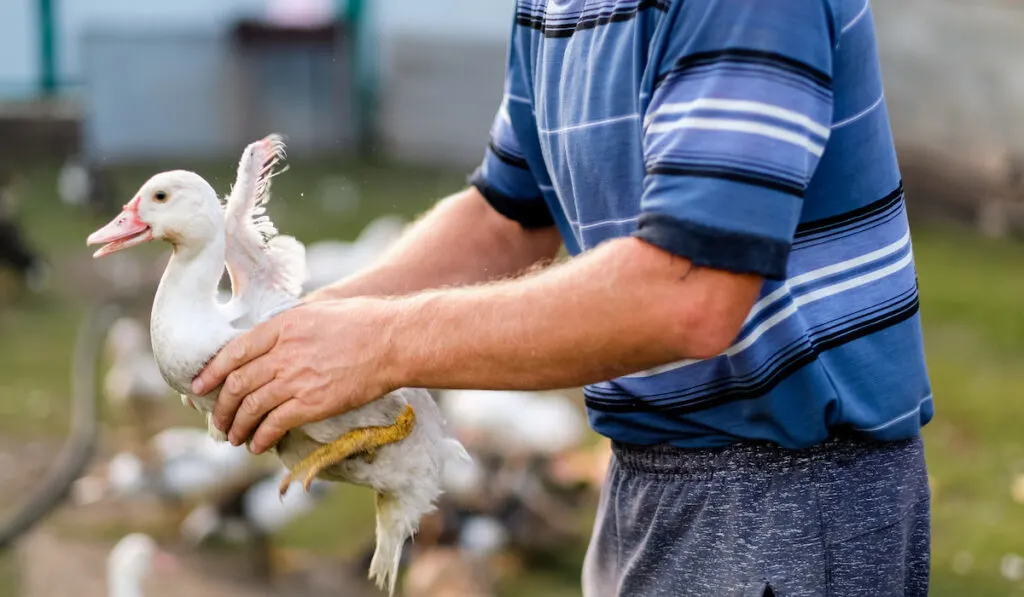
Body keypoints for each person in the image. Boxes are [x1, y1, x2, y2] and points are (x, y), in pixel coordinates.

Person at [192, 1, 933, 594]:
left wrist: (381, 343)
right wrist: (298, 331)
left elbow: (693, 290)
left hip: (789, 499)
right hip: (645, 476)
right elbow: (506, 215)